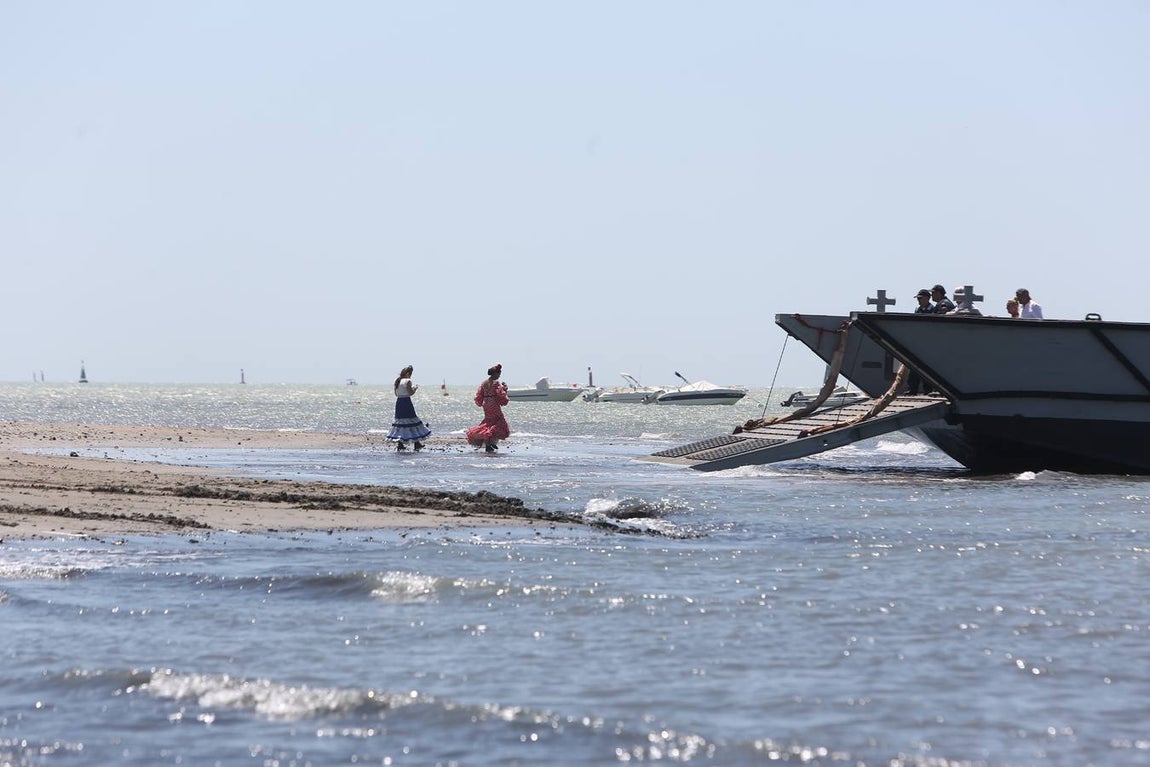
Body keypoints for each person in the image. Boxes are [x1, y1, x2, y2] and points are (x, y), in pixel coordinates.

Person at [466, 363, 510, 453]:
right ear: (495, 374)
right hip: (493, 403)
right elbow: (500, 393)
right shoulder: (496, 382)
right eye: (499, 374)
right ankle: (491, 442)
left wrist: (483, 401)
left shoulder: (484, 383)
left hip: (486, 404)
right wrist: (505, 389)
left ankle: (489, 443)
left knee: (489, 422)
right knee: (499, 421)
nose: (499, 376)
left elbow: (479, 395)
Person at [387, 365, 431, 451]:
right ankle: (416, 443)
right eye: (410, 374)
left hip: (399, 402)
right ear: (408, 373)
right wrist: (414, 388)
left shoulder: (397, 381)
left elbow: (396, 394)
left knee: (401, 423)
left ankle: (401, 444)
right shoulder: (408, 381)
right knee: (412, 421)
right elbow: (410, 392)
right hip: (406, 402)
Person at [907, 289, 935, 395]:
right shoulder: (917, 310)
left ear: (927, 298)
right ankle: (912, 389)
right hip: (918, 342)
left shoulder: (932, 310)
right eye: (918, 299)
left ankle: (927, 390)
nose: (918, 300)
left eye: (920, 298)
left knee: (926, 369)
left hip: (928, 343)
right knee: (914, 368)